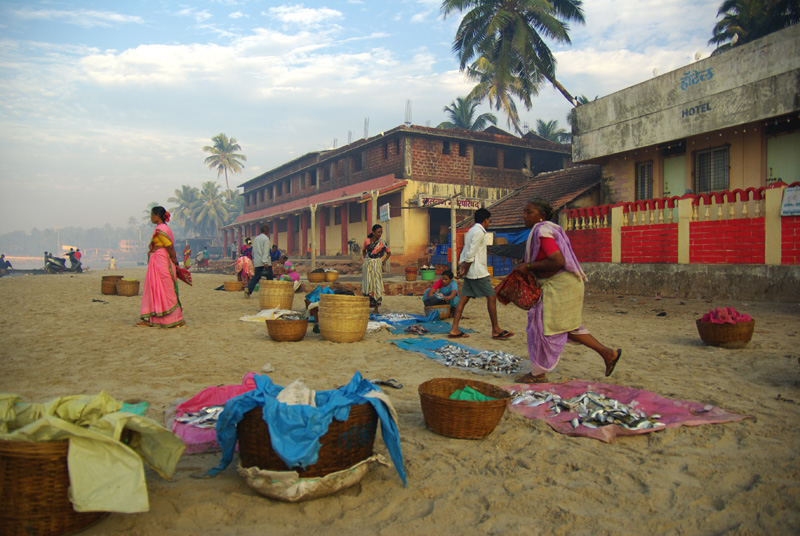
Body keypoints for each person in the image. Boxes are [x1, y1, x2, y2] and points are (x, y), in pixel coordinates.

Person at [513, 198, 621, 383]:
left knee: (544, 327)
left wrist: (529, 265)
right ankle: (608, 354)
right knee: (563, 326)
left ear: (541, 216)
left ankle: (538, 375)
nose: (524, 216)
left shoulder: (542, 231)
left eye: (528, 212)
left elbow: (557, 260)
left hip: (560, 285)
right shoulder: (544, 230)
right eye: (524, 211)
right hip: (563, 284)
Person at [447, 208, 513, 340]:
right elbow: (470, 252)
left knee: (464, 298)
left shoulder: (471, 231)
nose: (489, 222)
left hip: (471, 271)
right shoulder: (479, 232)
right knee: (491, 296)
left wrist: (462, 268)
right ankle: (495, 329)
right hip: (477, 272)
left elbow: (466, 251)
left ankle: (454, 328)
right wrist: (465, 268)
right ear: (485, 220)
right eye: (489, 220)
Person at [138, 206, 185, 328]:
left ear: (158, 216)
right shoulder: (164, 228)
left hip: (161, 260)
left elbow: (169, 246)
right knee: (158, 288)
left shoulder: (161, 229)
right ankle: (159, 319)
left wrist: (174, 259)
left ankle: (174, 319)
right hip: (159, 260)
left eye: (152, 215)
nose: (151, 217)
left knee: (165, 288)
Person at [362, 224, 391, 314]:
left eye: (381, 232)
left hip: (377, 264)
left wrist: (383, 262)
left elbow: (389, 253)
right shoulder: (366, 241)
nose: (380, 234)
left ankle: (376, 308)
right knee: (367, 284)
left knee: (377, 284)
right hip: (367, 264)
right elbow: (363, 251)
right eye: (378, 232)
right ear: (373, 232)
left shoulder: (382, 243)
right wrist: (365, 260)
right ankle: (366, 305)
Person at [244, 224, 271, 298]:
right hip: (265, 261)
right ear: (267, 231)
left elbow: (253, 251)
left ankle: (249, 289)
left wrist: (255, 259)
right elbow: (265, 251)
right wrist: (265, 261)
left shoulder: (256, 239)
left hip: (257, 261)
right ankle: (269, 293)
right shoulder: (266, 239)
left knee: (256, 277)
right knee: (270, 277)